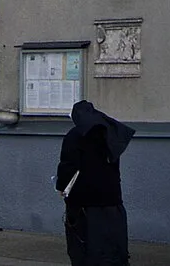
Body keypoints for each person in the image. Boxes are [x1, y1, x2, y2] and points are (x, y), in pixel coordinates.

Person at [54, 99, 133, 266]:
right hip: (112, 198)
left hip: (84, 201)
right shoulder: (110, 133)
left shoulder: (75, 135)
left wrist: (61, 187)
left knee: (86, 245)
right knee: (112, 244)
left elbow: (68, 165)